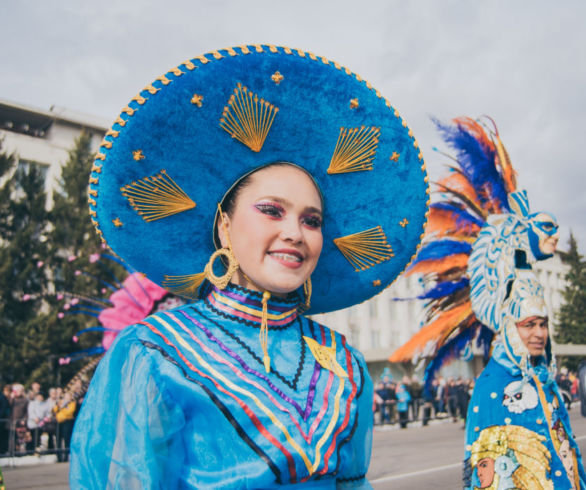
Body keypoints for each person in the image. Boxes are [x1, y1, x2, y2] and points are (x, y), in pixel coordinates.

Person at [69, 44, 428, 488]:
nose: (295, 233)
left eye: (311, 220)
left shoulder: (344, 363)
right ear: (224, 226)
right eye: (271, 210)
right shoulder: (153, 353)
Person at [464, 273, 586, 489]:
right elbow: (486, 472)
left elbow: (567, 448)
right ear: (510, 328)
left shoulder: (544, 378)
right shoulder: (490, 385)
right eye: (529, 325)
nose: (539, 333)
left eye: (543, 324)